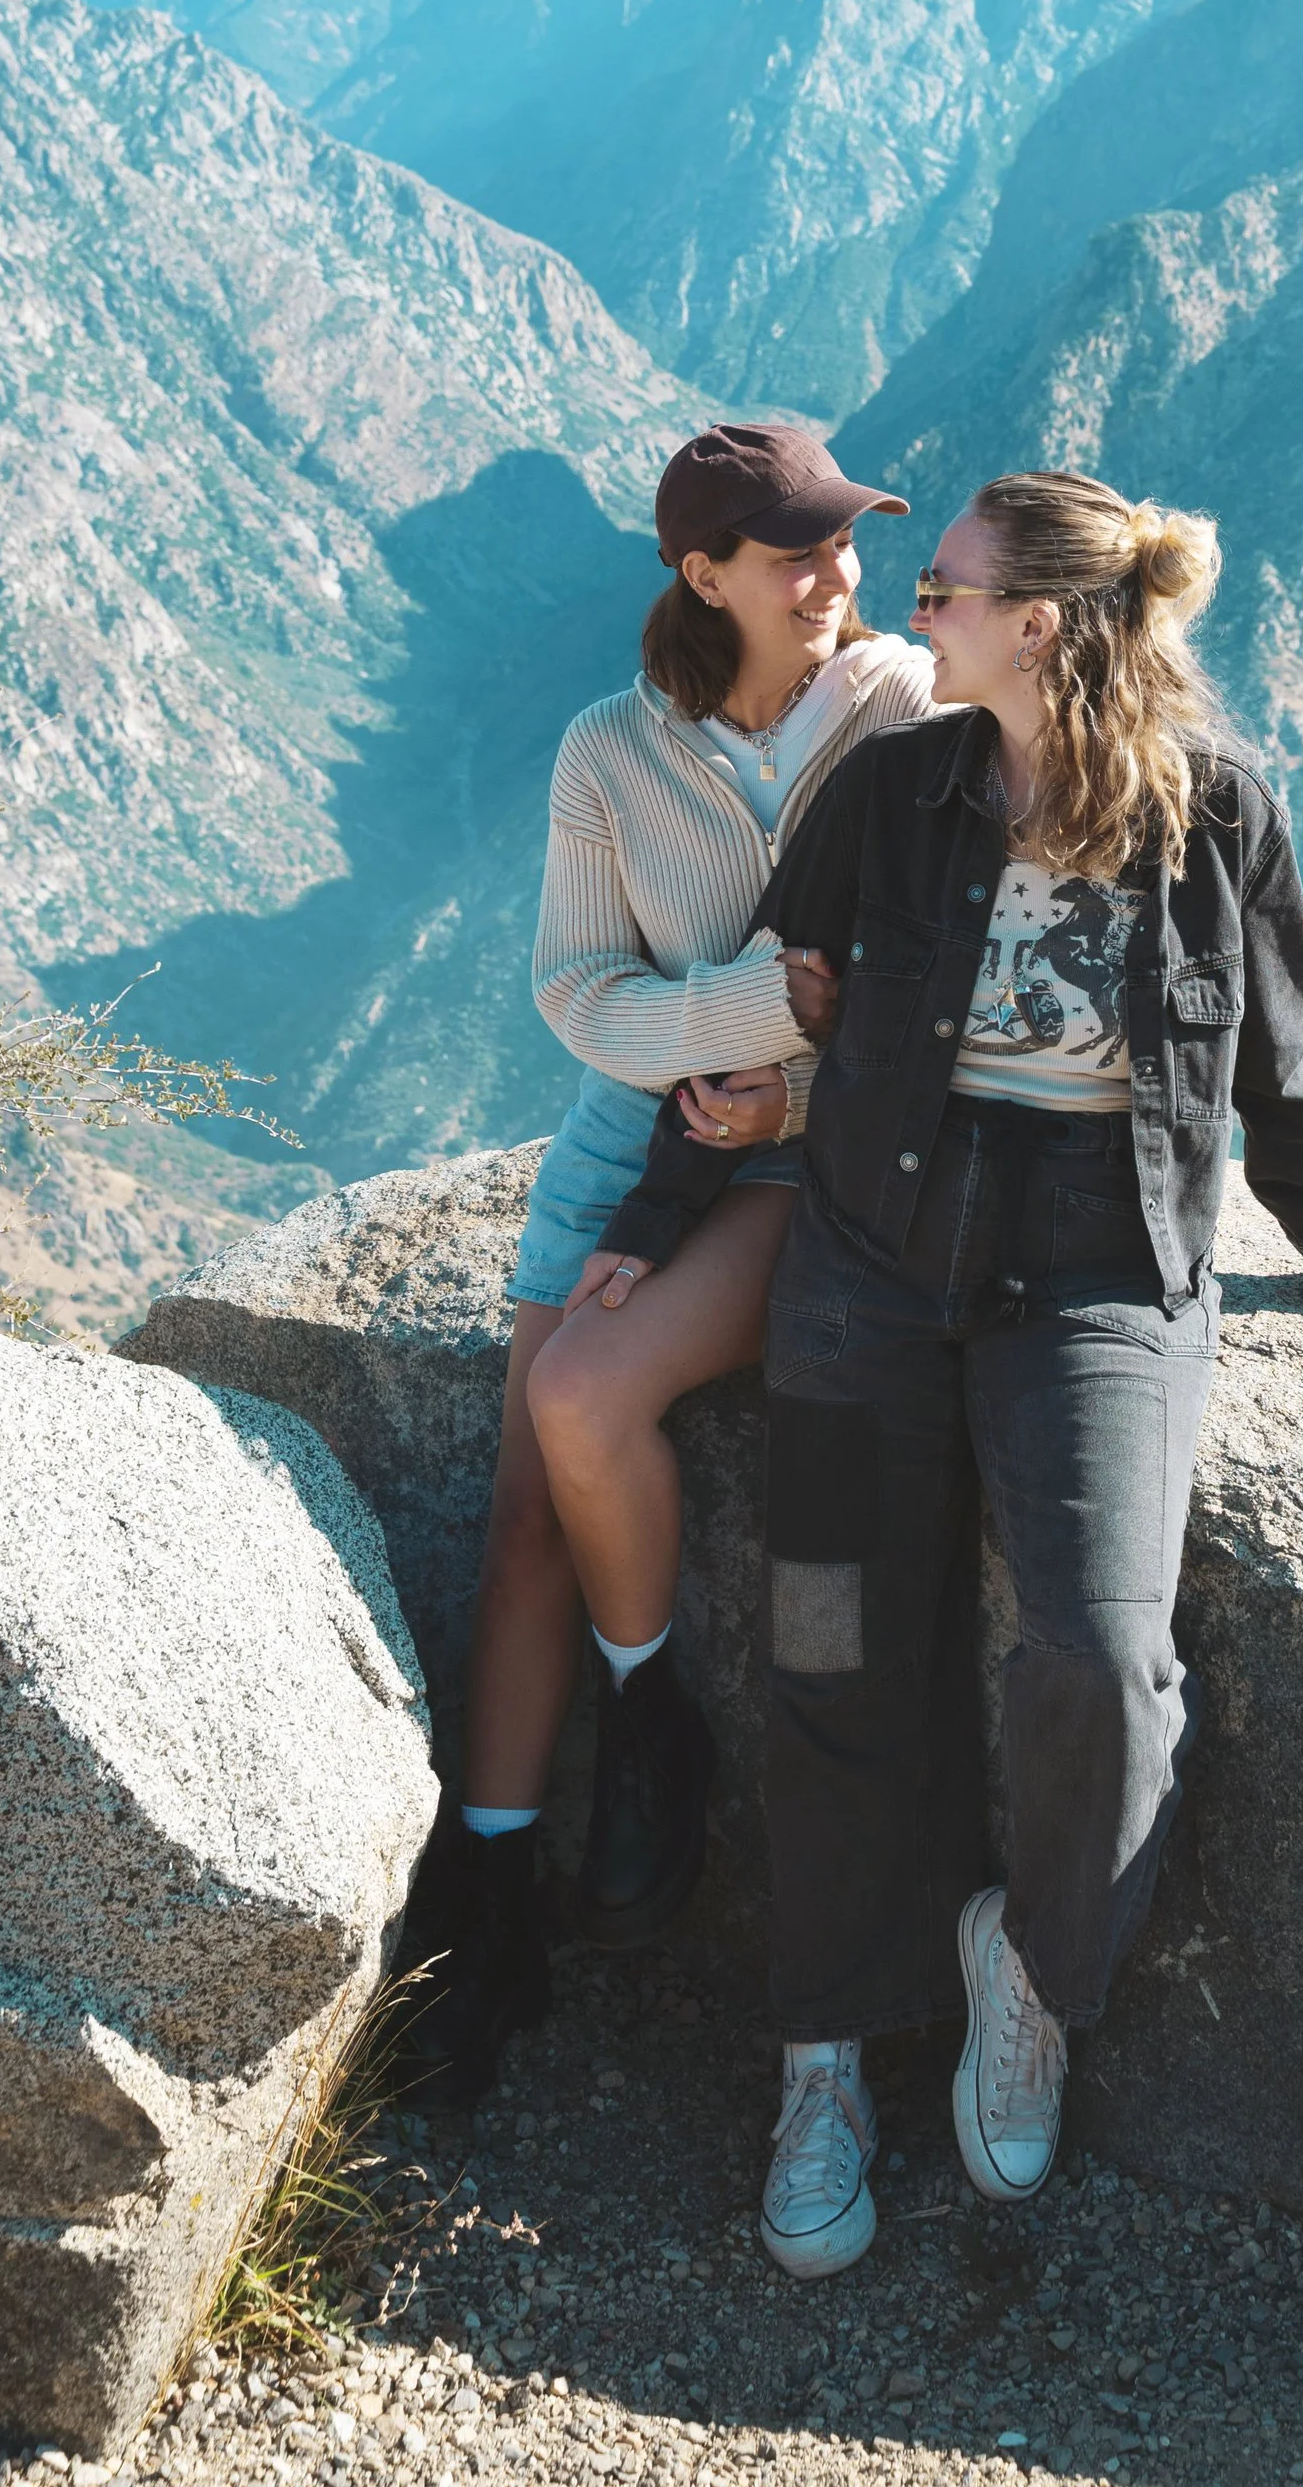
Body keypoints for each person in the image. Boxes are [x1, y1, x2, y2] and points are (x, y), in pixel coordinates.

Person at [739, 466, 1303, 2273]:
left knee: (1108, 1660)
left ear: (1038, 625)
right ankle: (823, 2051)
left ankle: (1030, 1968)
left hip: (1101, 1271)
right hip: (875, 1252)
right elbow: (783, 1001)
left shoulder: (1221, 817)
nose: (910, 615)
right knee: (825, 1645)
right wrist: (685, 1166)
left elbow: (1275, 1065)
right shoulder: (890, 787)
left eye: (942, 591)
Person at [405, 421, 932, 2105]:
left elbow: (926, 977)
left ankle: (645, 1717)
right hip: (629, 1147)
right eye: (796, 552)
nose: (836, 573)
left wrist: (780, 1074)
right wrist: (756, 1014)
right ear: (703, 576)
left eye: (845, 541)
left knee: (585, 1393)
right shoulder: (607, 755)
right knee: (516, 1527)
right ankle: (489, 1908)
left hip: (798, 1164)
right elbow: (578, 995)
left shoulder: (908, 708)